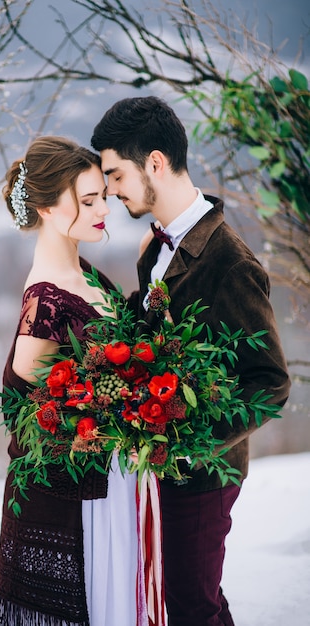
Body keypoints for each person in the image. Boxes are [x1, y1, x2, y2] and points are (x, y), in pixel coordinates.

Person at [91, 96, 291, 626]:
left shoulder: (230, 262)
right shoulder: (157, 249)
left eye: (115, 175)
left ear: (155, 162)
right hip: (159, 468)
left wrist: (187, 450)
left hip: (205, 473)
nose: (111, 190)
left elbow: (270, 382)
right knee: (180, 599)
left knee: (191, 607)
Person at [0, 136, 155, 626]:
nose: (105, 210)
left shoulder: (85, 274)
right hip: (79, 495)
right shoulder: (45, 298)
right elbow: (30, 403)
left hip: (114, 480)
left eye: (103, 196)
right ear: (48, 209)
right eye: (89, 200)